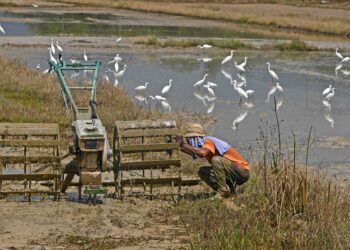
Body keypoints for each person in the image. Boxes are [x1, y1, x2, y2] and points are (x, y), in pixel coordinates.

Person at [176, 123, 250, 198]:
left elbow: (202, 153)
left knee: (216, 160)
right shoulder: (204, 145)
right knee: (202, 171)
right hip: (230, 172)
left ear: (195, 138)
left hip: (241, 172)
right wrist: (178, 146)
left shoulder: (208, 141)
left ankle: (222, 191)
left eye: (189, 139)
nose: (189, 142)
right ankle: (229, 191)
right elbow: (196, 153)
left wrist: (183, 144)